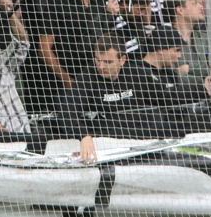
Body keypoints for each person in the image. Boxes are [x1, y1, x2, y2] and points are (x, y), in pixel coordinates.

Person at [61, 34, 158, 163]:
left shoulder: (138, 74)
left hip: (138, 144)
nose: (101, 66)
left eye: (108, 62)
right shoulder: (88, 78)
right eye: (98, 60)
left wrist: (194, 91)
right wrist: (83, 135)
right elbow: (67, 108)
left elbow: (166, 97)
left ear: (122, 59)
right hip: (105, 147)